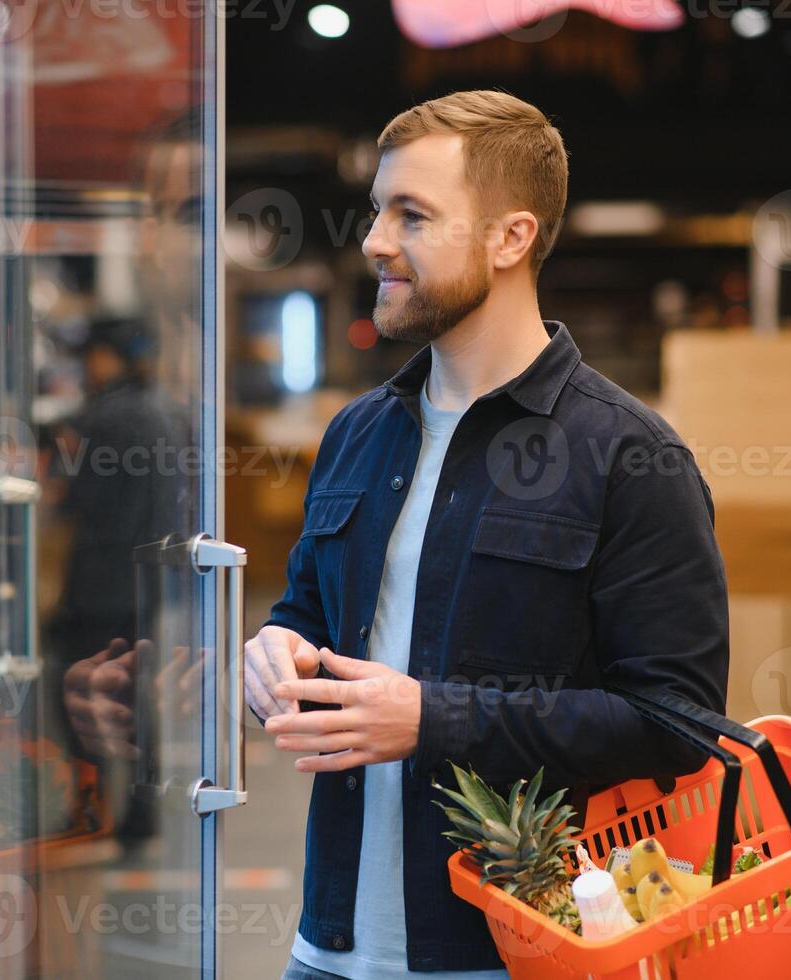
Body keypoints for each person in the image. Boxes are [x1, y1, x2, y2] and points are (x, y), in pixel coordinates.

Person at [243, 90, 730, 978]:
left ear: (510, 239)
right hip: (329, 944)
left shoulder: (629, 458)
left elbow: (678, 723)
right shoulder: (358, 432)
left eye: (412, 215)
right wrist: (276, 650)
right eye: (375, 210)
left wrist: (434, 717)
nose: (374, 241)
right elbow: (307, 607)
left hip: (509, 953)